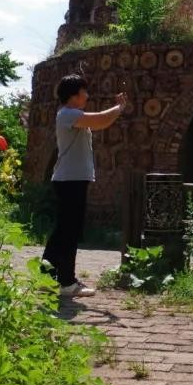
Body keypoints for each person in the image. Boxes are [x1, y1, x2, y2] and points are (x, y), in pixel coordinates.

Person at [42, 74, 126, 297]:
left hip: (71, 180)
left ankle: (46, 277)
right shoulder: (67, 114)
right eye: (84, 92)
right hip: (70, 181)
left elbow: (102, 122)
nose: (87, 96)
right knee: (69, 233)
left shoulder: (71, 115)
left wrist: (116, 111)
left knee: (63, 231)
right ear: (74, 95)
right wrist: (119, 107)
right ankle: (67, 282)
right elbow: (100, 119)